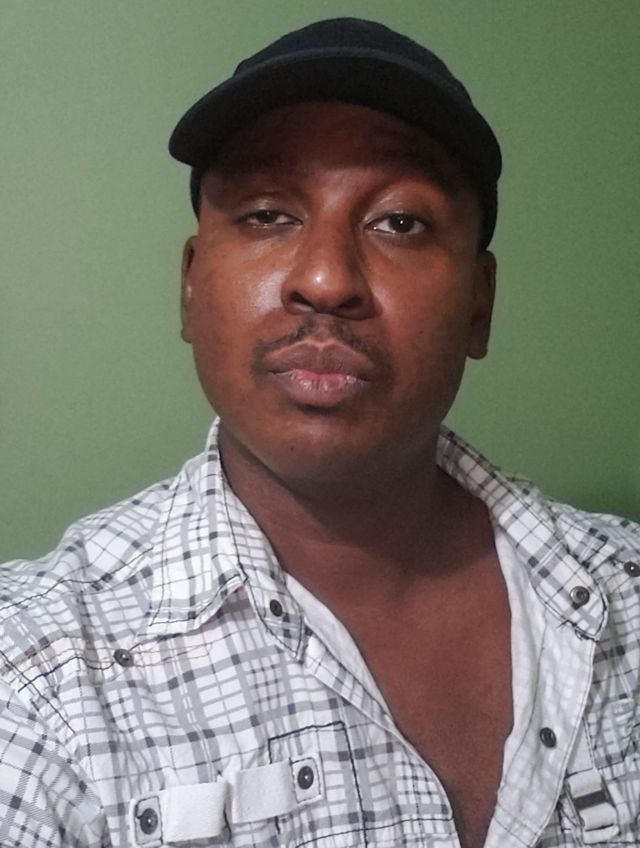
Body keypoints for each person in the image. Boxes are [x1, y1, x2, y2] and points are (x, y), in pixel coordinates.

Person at [0, 16, 638, 848]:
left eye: (399, 221)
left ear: (479, 305)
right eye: (268, 214)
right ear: (190, 287)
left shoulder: (625, 595)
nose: (327, 279)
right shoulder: (36, 674)